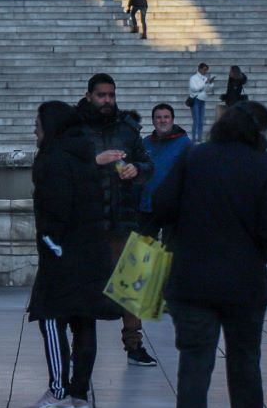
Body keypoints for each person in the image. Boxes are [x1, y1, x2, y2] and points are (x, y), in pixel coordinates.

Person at [152, 102, 267, 408]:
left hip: (192, 280)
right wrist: (262, 255)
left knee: (194, 367)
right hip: (244, 283)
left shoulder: (194, 158)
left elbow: (162, 204)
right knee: (246, 365)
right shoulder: (264, 166)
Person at [24, 100, 120, 408]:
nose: (34, 128)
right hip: (92, 251)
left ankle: (58, 392)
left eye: (38, 121)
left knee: (50, 317)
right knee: (84, 320)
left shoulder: (52, 159)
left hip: (64, 255)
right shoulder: (83, 155)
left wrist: (52, 244)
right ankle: (79, 393)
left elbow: (56, 210)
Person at [68, 73, 156, 365]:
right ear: (89, 95)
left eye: (112, 95)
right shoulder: (75, 128)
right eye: (102, 95)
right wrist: (96, 162)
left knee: (131, 282)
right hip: (87, 218)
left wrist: (136, 169)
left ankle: (134, 344)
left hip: (123, 216)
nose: (108, 101)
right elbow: (62, 167)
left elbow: (147, 163)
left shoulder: (127, 129)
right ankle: (80, 345)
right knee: (83, 284)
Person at [138, 102, 190, 240]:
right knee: (144, 250)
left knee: (171, 251)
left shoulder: (185, 143)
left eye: (166, 117)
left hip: (172, 207)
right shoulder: (145, 143)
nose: (162, 120)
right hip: (147, 205)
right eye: (158, 117)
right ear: (153, 121)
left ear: (172, 119)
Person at [186, 62, 213, 144]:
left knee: (201, 121)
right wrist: (204, 84)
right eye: (204, 70)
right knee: (196, 120)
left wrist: (210, 83)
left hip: (203, 100)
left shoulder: (205, 78)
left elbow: (208, 90)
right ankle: (194, 138)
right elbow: (194, 88)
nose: (205, 72)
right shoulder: (193, 78)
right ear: (200, 69)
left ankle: (200, 138)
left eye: (206, 70)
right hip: (196, 100)